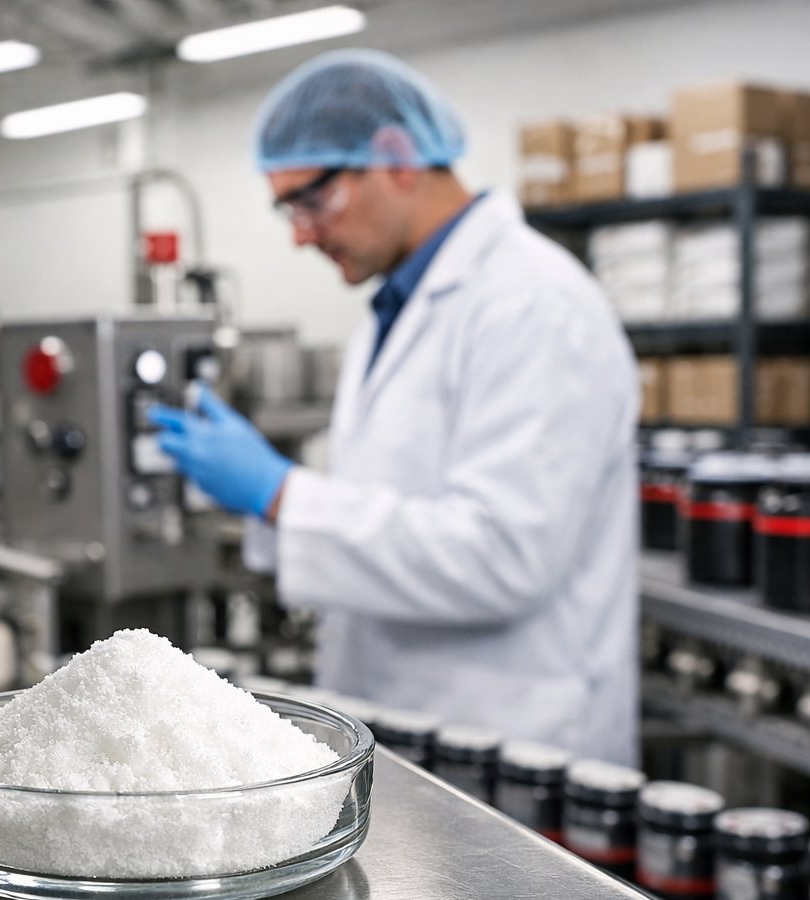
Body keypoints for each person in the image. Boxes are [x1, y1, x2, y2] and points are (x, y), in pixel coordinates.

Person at [150, 50, 638, 765]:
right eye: (288, 209)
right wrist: (265, 507)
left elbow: (503, 556)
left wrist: (281, 492)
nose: (300, 234)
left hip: (514, 740)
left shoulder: (533, 304)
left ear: (398, 158)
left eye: (311, 201)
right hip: (404, 721)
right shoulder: (394, 306)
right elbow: (393, 504)